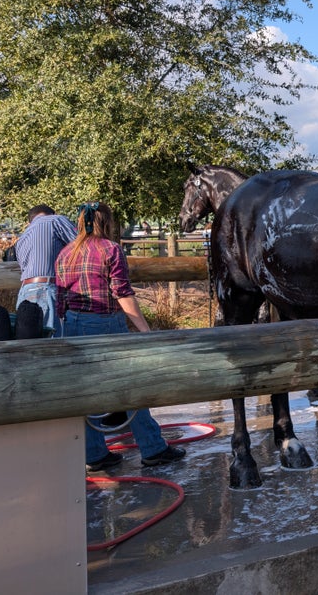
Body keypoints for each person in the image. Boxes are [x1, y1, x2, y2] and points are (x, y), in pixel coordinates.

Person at [55, 201, 186, 471]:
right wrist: (144, 330)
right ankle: (153, 448)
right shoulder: (110, 250)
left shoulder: (65, 252)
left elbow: (60, 298)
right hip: (104, 323)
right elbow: (122, 293)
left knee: (87, 393)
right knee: (131, 387)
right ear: (108, 223)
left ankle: (94, 455)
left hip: (72, 325)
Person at [15, 205, 77, 337]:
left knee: (29, 343)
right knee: (52, 344)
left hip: (25, 291)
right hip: (46, 289)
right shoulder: (55, 220)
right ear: (51, 213)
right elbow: (83, 245)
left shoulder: (22, 237)